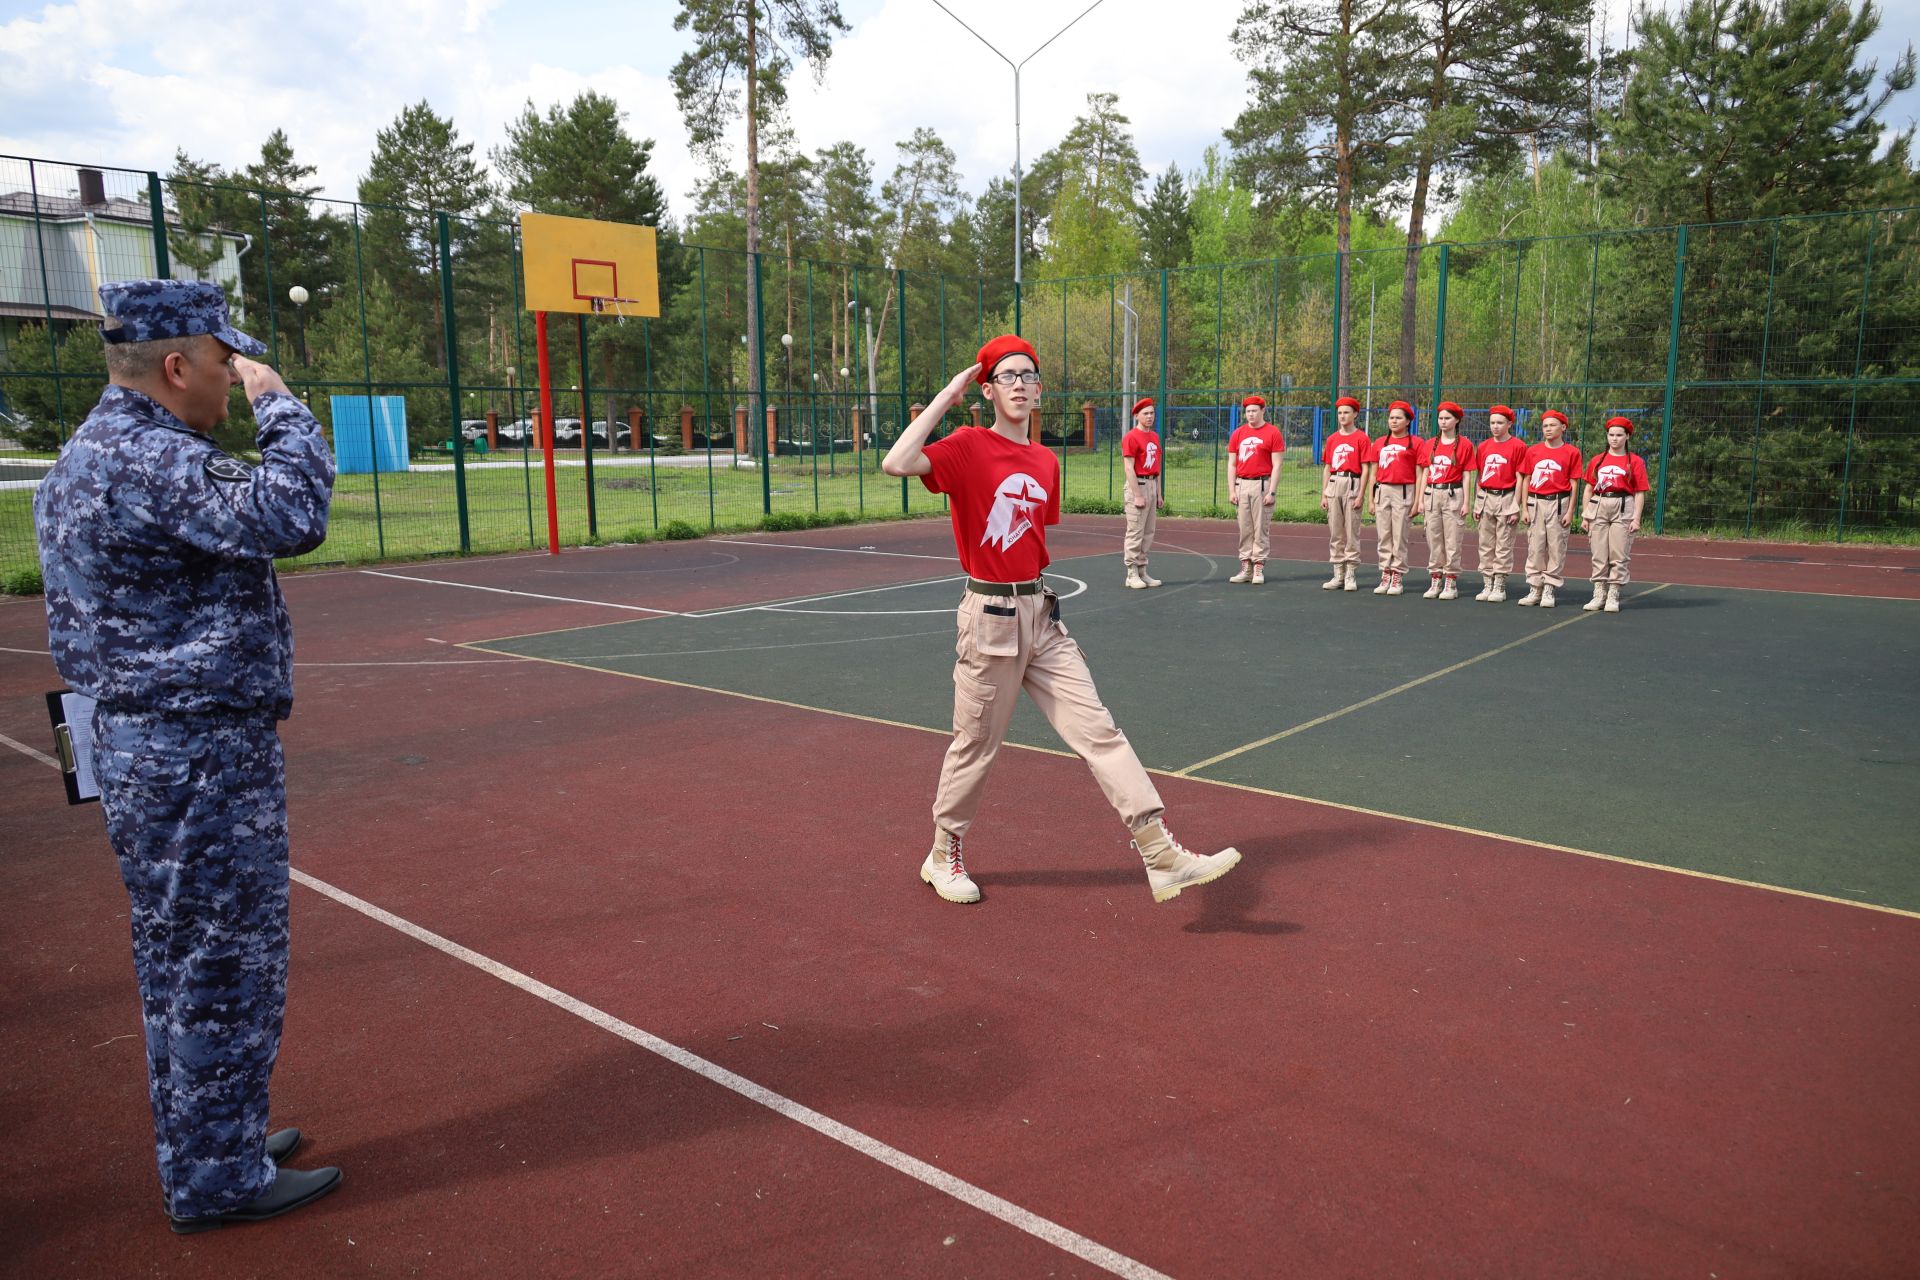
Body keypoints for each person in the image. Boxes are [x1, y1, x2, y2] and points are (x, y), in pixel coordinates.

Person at [33, 280, 340, 1233]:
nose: (230, 378)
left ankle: (213, 1139)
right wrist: (278, 402)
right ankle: (216, 1177)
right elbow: (292, 513)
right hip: (195, 748)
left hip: (143, 743)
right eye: (222, 361)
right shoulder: (151, 457)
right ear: (177, 366)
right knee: (222, 962)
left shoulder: (89, 453)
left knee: (178, 954)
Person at [881, 335, 1241, 906]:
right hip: (990, 617)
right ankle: (941, 853)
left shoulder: (1046, 460)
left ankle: (1160, 854)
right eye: (1006, 376)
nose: (1019, 384)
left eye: (1028, 375)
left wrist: (1037, 606)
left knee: (1099, 731)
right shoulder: (968, 445)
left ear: (1041, 388)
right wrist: (948, 396)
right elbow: (896, 462)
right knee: (975, 745)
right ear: (990, 388)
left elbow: (1030, 535)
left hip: (1042, 616)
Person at [1581, 415, 1651, 613]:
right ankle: (1598, 593)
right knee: (1598, 551)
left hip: (1623, 504)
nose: (1614, 439)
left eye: (1619, 435)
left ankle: (1613, 593)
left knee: (1619, 553)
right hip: (1599, 504)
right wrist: (1586, 514)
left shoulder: (1635, 461)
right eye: (1611, 434)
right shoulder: (1597, 460)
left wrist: (1636, 518)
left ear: (1627, 436)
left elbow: (1639, 492)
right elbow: (1588, 489)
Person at [1516, 409, 1584, 607]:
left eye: (1552, 425)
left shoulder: (1572, 452)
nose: (1548, 429)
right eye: (1545, 425)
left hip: (1558, 503)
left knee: (1556, 546)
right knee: (1535, 546)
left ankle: (1549, 588)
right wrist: (1525, 508)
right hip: (1535, 502)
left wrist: (1570, 511)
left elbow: (1574, 483)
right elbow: (1526, 479)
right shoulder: (1533, 451)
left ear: (1563, 427)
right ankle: (1535, 587)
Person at [1413, 401, 1475, 600]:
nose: (1443, 422)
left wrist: (1466, 501)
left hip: (1453, 494)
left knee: (1453, 539)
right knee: (1433, 537)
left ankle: (1451, 580)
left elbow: (1466, 475)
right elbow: (1424, 473)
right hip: (1432, 494)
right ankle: (1435, 577)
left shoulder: (1465, 444)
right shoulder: (1429, 444)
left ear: (1456, 420)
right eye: (1440, 418)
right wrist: (1421, 499)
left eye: (1447, 418)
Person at [1224, 394, 1284, 584]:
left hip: (1262, 484)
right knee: (1245, 527)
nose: (1250, 415)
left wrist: (1272, 491)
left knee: (1261, 528)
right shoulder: (1238, 434)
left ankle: (1258, 567)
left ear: (1262, 411)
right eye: (1248, 411)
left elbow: (1277, 465)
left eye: (1254, 411)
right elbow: (1232, 464)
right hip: (1242, 484)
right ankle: (1246, 568)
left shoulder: (1273, 433)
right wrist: (1232, 490)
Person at [1363, 401, 1419, 595]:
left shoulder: (1416, 443)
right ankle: (1385, 572)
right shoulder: (1379, 443)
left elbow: (1420, 475)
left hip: (1404, 491)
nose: (1394, 421)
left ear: (1407, 421)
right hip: (1382, 491)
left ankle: (1397, 575)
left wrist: (1417, 501)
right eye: (1391, 417)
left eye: (1398, 418)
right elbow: (1373, 473)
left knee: (1400, 535)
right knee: (1383, 534)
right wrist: (1371, 499)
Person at [1470, 405, 1526, 602]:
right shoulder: (1484, 446)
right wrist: (1477, 502)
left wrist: (1515, 506)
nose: (1495, 426)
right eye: (1492, 422)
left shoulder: (1518, 446)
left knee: (1504, 543)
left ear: (1509, 424)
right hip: (1486, 496)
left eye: (1500, 423)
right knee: (1485, 543)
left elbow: (1520, 477)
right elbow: (1479, 475)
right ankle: (1487, 582)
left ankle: (1499, 584)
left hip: (1506, 497)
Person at [1319, 395, 1368, 590]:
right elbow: (1327, 466)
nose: (1342, 416)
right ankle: (1338, 573)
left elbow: (1366, 469)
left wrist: (1361, 494)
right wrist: (1324, 493)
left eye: (1346, 412)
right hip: (1334, 483)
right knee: (1335, 531)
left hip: (1352, 483)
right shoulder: (1332, 439)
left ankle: (1350, 574)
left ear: (1355, 414)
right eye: (1339, 413)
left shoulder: (1361, 438)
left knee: (1351, 531)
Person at [1119, 397, 1164, 589]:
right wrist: (1137, 494)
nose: (1150, 416)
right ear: (1136, 415)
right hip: (1138, 484)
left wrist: (1159, 494)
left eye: (1152, 413)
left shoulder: (1154, 436)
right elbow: (1129, 467)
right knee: (1135, 531)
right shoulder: (1131, 437)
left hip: (1152, 484)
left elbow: (1157, 467)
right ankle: (1131, 573)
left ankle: (1142, 571)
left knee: (1148, 532)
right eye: (1145, 413)